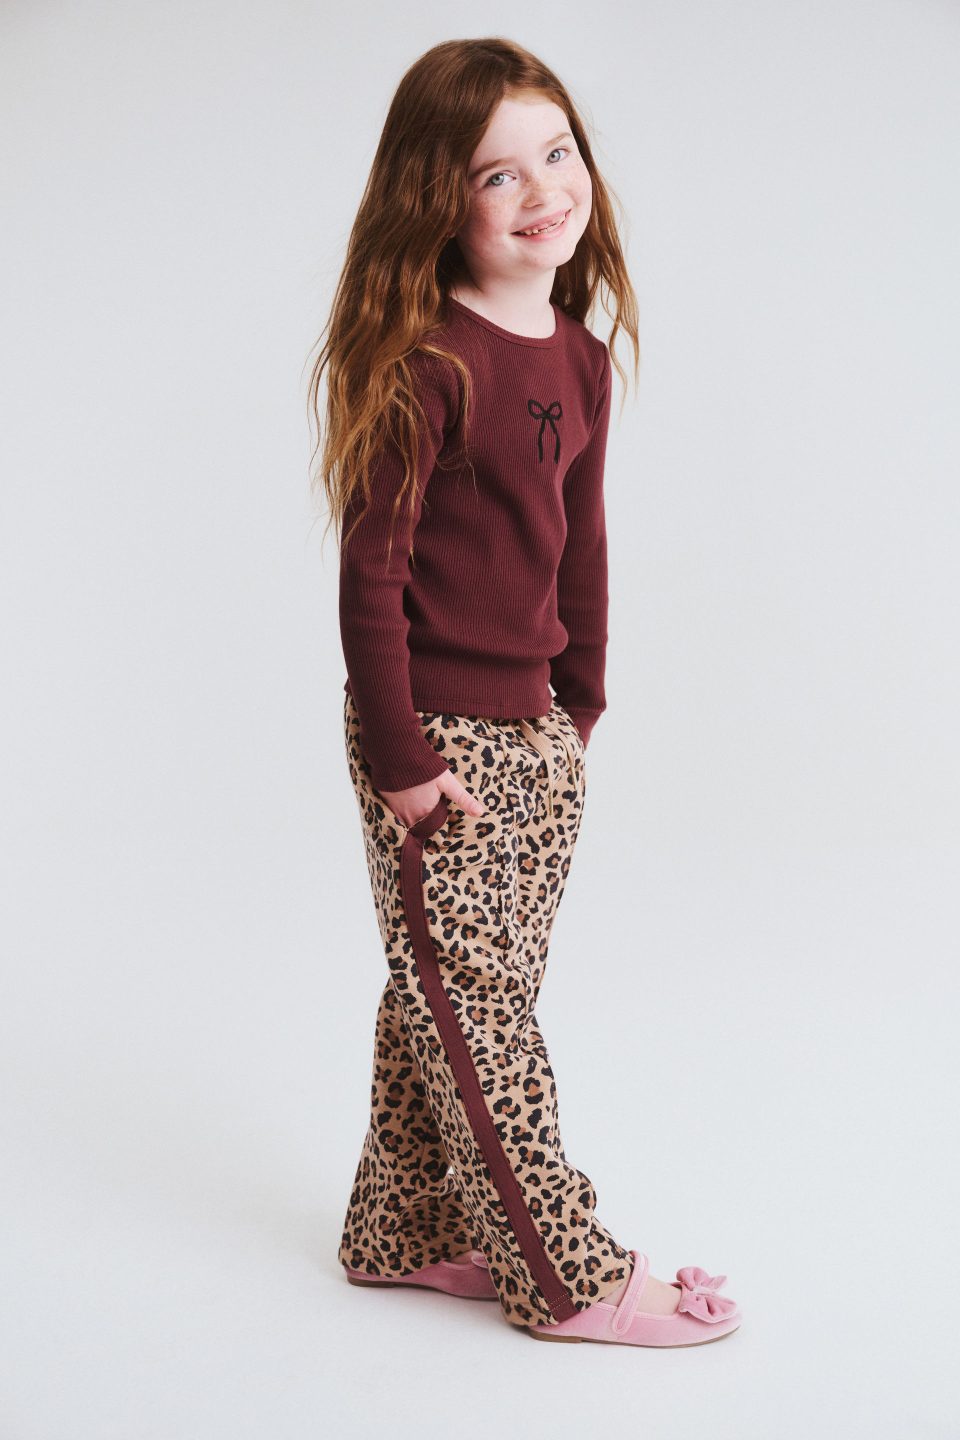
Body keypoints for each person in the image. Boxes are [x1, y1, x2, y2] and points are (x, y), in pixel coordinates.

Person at [308, 36, 741, 1348]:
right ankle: (565, 1272)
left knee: (450, 996)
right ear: (440, 200)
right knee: (479, 1008)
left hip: (536, 734)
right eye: (500, 173)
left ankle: (404, 1226)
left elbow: (580, 539)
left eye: (558, 153)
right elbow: (372, 576)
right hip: (434, 738)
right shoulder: (427, 361)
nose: (544, 188)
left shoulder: (579, 359)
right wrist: (401, 759)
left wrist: (580, 704)